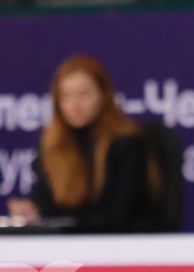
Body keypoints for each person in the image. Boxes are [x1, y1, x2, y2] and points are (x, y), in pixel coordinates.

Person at [9, 54, 165, 231]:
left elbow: (121, 216)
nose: (74, 105)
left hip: (119, 248)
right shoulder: (51, 146)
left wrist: (66, 225)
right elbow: (47, 208)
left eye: (84, 94)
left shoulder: (127, 144)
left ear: (103, 96)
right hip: (64, 249)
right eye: (65, 96)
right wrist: (33, 215)